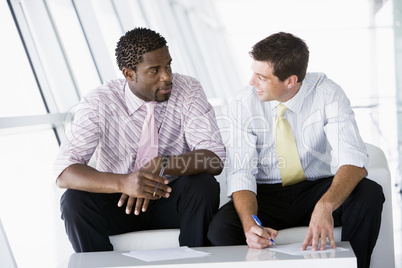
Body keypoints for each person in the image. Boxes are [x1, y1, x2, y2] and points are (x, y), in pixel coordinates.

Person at [207, 32, 384, 268]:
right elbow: (241, 172)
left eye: (261, 77)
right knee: (220, 228)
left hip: (316, 189)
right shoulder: (243, 103)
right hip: (266, 194)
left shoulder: (328, 94)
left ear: (290, 81)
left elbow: (353, 159)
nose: (252, 82)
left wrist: (326, 205)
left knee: (369, 194)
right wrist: (251, 225)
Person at [54, 27, 225, 252]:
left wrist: (163, 163)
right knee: (73, 201)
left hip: (170, 199)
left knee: (203, 185)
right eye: (154, 70)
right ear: (129, 74)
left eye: (168, 66)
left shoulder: (188, 89)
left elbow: (215, 159)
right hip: (118, 203)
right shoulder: (99, 102)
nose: (166, 77)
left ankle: (195, 262)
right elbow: (64, 172)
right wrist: (124, 183)